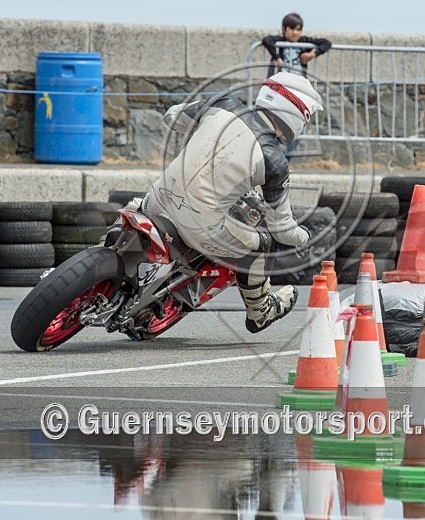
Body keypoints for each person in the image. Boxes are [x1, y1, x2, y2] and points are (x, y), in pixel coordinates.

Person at [139, 72, 324, 333]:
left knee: (135, 209)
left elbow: (172, 117)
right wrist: (305, 237)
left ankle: (107, 249)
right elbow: (282, 227)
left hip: (158, 200)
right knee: (262, 245)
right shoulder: (275, 161)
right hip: (200, 227)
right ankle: (261, 311)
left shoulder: (223, 103)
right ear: (296, 113)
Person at [262, 13, 332, 78]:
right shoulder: (280, 40)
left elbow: (326, 43)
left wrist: (312, 54)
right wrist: (277, 58)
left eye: (298, 29)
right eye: (292, 29)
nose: (295, 32)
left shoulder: (304, 41)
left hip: (298, 81)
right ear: (284, 29)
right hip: (280, 81)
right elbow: (266, 40)